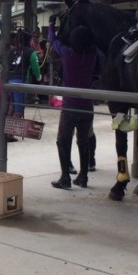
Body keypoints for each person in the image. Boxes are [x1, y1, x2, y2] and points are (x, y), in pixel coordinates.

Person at [48, 14, 98, 189]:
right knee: (83, 141)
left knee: (63, 140)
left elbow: (52, 40)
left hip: (70, 105)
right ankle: (83, 177)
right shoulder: (93, 55)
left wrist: (51, 25)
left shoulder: (68, 55)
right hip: (87, 106)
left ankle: (65, 178)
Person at [6, 29, 42, 141]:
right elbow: (35, 67)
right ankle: (10, 134)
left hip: (9, 82)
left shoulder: (12, 51)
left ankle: (6, 131)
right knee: (19, 109)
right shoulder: (30, 52)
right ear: (28, 40)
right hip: (20, 82)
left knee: (12, 106)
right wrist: (38, 76)